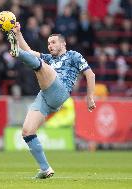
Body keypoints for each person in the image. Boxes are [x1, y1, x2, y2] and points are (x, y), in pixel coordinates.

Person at [7, 22, 96, 179]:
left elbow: (91, 75)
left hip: (60, 91)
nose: (50, 45)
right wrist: (19, 34)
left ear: (63, 43)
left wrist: (90, 97)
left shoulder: (74, 55)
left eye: (53, 42)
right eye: (48, 43)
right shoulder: (49, 58)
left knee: (41, 66)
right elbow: (29, 52)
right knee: (27, 131)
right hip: (45, 95)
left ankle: (16, 53)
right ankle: (45, 168)